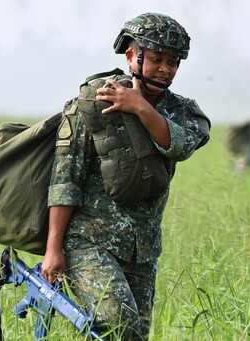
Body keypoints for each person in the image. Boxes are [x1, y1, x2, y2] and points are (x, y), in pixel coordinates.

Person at [41, 13, 211, 340]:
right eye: (157, 59)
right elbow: (65, 179)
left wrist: (141, 108)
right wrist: (53, 248)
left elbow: (183, 144)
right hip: (88, 241)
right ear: (131, 55)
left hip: (143, 249)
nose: (165, 68)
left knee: (134, 336)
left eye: (173, 62)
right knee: (118, 324)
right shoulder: (94, 102)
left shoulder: (182, 111)